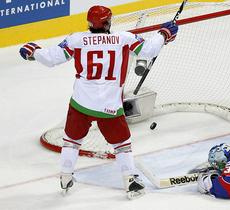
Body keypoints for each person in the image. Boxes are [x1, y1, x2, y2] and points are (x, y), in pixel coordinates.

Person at [19, 5, 178, 199]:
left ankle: (65, 176)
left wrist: (33, 51)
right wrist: (164, 33)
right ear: (108, 22)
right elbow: (150, 50)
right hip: (109, 106)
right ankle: (130, 180)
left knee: (71, 140)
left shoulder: (76, 39)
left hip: (80, 103)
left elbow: (51, 58)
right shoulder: (123, 38)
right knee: (122, 144)